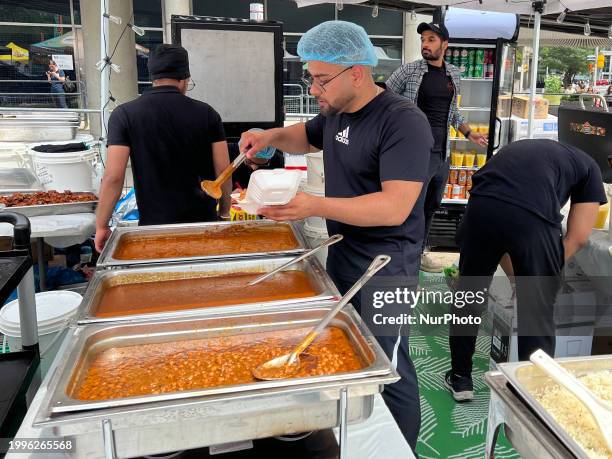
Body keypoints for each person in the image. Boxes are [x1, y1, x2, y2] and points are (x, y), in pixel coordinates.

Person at [240, 21, 433, 452]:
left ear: (357, 72)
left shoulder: (403, 122)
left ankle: (402, 447)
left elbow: (394, 205)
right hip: (345, 252)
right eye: (311, 77)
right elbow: (304, 138)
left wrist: (314, 204)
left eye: (321, 79)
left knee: (388, 363)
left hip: (388, 265)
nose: (314, 88)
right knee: (350, 349)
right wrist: (269, 135)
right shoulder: (335, 111)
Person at [445, 139, 606, 402]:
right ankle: (532, 395)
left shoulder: (539, 151)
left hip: (481, 205)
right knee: (536, 312)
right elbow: (577, 238)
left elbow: (505, 233)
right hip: (531, 214)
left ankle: (461, 378)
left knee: (470, 295)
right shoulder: (591, 170)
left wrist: (520, 278)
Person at [95, 44, 231, 252]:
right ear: (184, 78)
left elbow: (113, 177)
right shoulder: (208, 114)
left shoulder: (124, 115)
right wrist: (224, 212)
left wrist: (101, 225)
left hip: (154, 229)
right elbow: (224, 171)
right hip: (203, 227)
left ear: (153, 77)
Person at [386, 22, 487, 273]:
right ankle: (403, 258)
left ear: (444, 44)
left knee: (431, 206)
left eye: (431, 39)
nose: (425, 45)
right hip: (415, 152)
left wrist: (469, 133)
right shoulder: (409, 71)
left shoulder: (453, 74)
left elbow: (453, 113)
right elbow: (382, 97)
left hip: (442, 153)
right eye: (423, 40)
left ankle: (419, 253)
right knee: (411, 208)